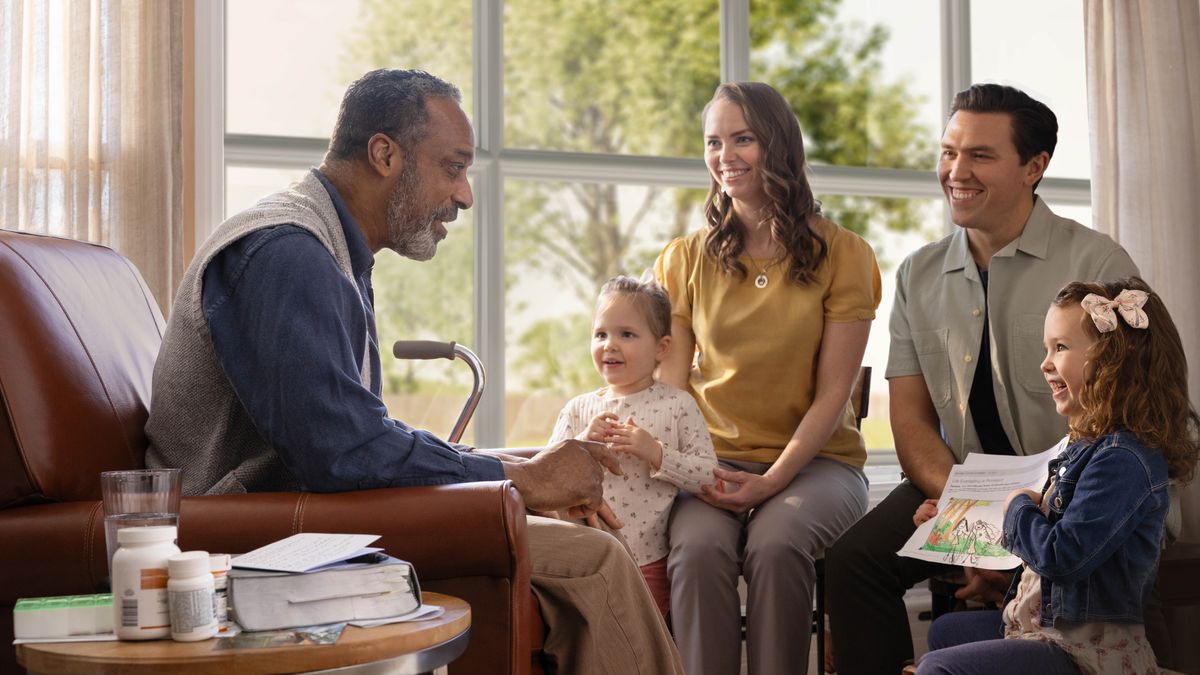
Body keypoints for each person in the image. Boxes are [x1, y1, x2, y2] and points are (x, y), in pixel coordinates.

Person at [144, 69, 683, 675]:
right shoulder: (286, 252)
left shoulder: (332, 252)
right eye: (453, 167)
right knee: (595, 559)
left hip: (308, 517)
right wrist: (520, 482)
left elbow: (348, 438)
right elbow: (342, 452)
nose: (466, 195)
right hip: (247, 538)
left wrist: (519, 472)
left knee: (588, 545)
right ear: (384, 154)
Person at [825, 83, 1140, 675]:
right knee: (853, 561)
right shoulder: (918, 273)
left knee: (1041, 568)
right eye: (949, 151)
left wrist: (1010, 527)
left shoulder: (1099, 266)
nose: (955, 171)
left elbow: (1124, 426)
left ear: (1035, 166)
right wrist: (971, 515)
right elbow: (913, 423)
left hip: (1075, 493)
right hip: (959, 483)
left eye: (980, 156)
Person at [655, 81, 881, 675]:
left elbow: (837, 392)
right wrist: (689, 467)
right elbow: (673, 391)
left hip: (818, 465)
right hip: (712, 460)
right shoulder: (684, 259)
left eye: (743, 139)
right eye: (713, 142)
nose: (724, 155)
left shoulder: (846, 255)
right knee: (698, 550)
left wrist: (775, 478)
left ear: (778, 146)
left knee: (777, 545)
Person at [916, 277, 1199, 675]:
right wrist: (952, 523)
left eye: (1061, 348)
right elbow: (1040, 542)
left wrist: (1017, 506)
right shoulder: (1084, 447)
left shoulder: (1124, 460)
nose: (1045, 363)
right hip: (1048, 628)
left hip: (1085, 650)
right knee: (946, 632)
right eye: (1047, 348)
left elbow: (1061, 556)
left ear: (1115, 361)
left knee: (940, 668)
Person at [548, 275, 719, 615]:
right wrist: (582, 444)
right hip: (584, 562)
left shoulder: (678, 406)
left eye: (626, 334)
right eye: (601, 334)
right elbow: (546, 476)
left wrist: (655, 452)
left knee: (642, 651)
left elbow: (707, 476)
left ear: (661, 348)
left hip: (648, 561)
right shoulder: (579, 409)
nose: (609, 344)